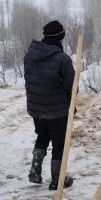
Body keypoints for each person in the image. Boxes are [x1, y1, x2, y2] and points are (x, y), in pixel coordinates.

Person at [24, 20, 75, 191]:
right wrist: (71, 103)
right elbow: (71, 84)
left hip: (36, 107)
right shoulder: (62, 59)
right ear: (61, 36)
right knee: (59, 142)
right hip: (57, 109)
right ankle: (57, 179)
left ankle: (35, 169)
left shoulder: (29, 55)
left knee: (42, 135)